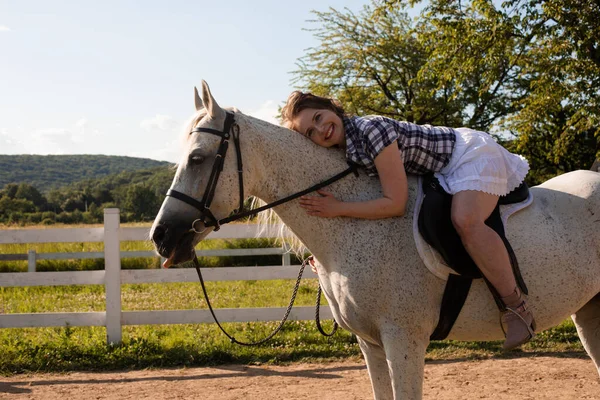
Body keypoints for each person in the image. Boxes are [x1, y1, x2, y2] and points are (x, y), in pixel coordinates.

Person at [281, 91, 535, 350]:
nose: (320, 129)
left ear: (331, 108)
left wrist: (337, 208)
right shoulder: (344, 148)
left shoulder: (371, 130)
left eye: (319, 117)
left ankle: (516, 308)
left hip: (467, 155)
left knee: (466, 220)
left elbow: (395, 204)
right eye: (311, 132)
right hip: (440, 170)